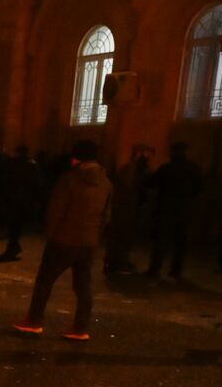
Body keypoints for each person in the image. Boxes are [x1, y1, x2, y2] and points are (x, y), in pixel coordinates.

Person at [13, 139, 112, 340]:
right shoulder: (106, 183)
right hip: (88, 241)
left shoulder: (70, 179)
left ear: (77, 158)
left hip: (64, 239)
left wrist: (51, 233)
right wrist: (95, 236)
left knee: (45, 281)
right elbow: (106, 216)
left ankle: (33, 321)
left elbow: (56, 210)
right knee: (83, 285)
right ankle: (80, 328)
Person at [145, 141, 204, 279]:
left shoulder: (167, 168)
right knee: (180, 242)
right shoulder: (193, 169)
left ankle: (155, 269)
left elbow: (151, 183)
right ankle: (176, 271)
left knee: (161, 240)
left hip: (165, 209)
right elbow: (200, 189)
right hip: (184, 210)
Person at [104, 143, 154, 274]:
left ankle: (119, 259)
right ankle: (115, 261)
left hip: (129, 209)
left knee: (125, 237)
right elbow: (128, 188)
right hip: (124, 209)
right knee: (120, 236)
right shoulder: (129, 170)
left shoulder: (134, 170)